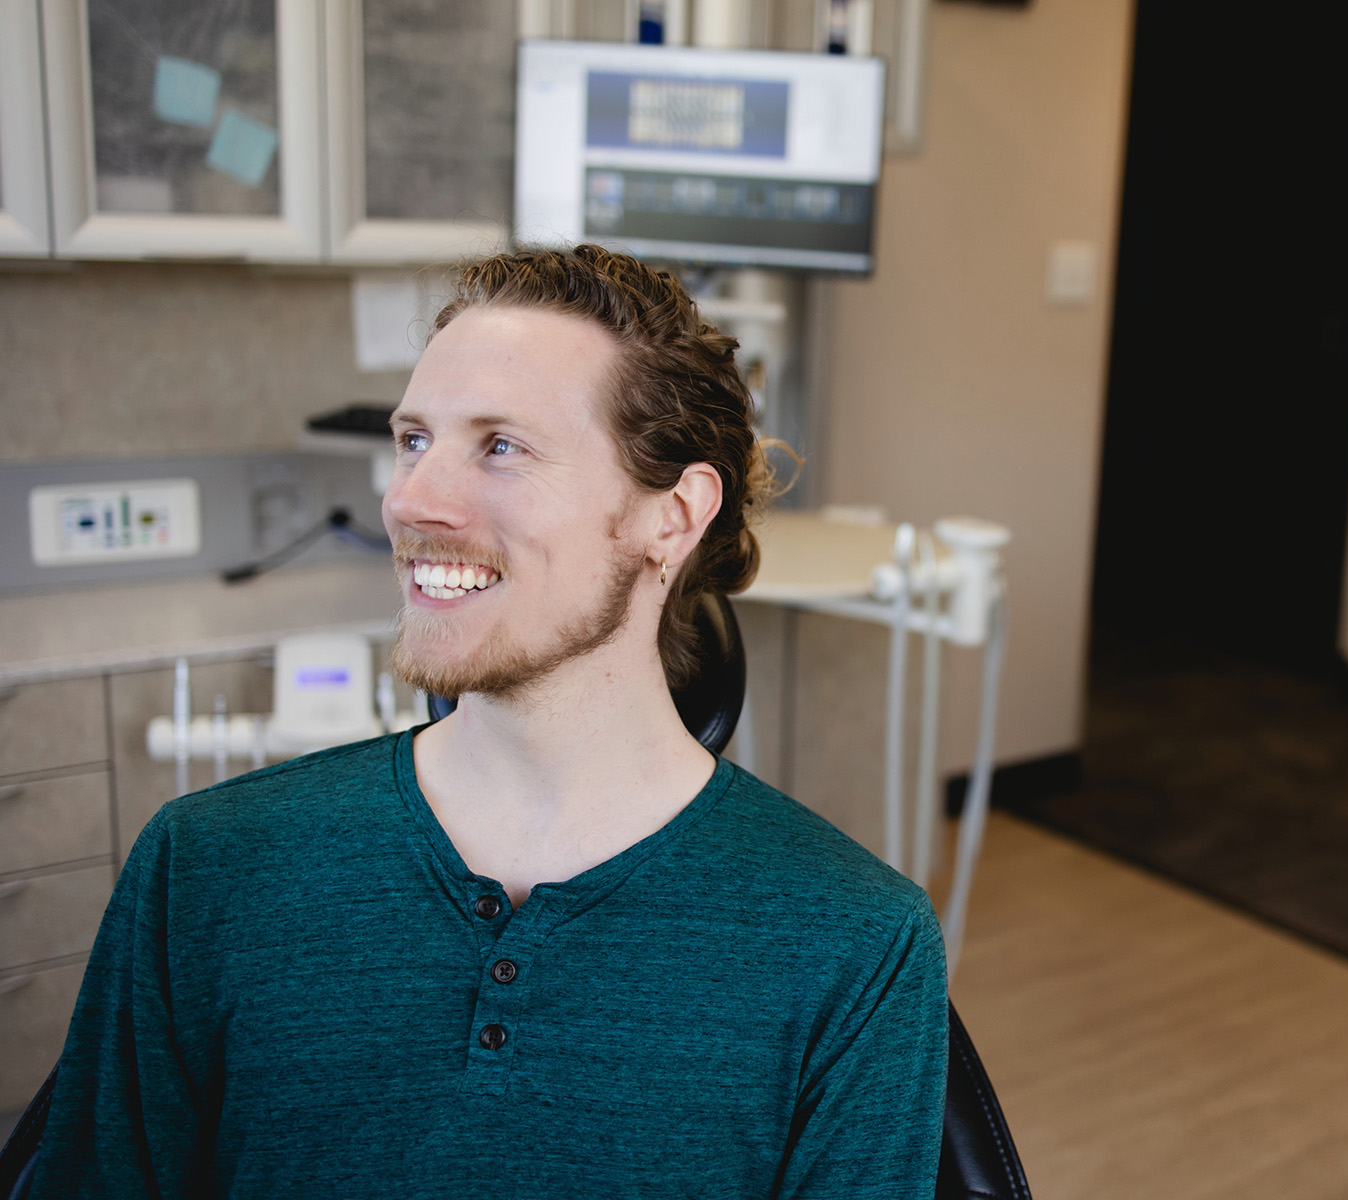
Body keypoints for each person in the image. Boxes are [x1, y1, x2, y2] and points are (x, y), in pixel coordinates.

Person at [29, 246, 949, 1198]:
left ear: (671, 519)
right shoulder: (207, 871)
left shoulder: (854, 945)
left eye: (501, 446)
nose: (410, 501)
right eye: (414, 440)